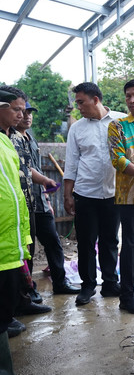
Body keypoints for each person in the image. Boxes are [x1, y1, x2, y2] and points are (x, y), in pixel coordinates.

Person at [0, 91, 47, 375]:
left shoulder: (6, 141)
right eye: (14, 109)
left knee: (3, 311)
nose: (20, 114)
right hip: (2, 244)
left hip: (9, 243)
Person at [63, 82, 126, 306]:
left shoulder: (121, 121)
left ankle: (110, 283)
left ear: (96, 99)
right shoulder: (77, 129)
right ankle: (87, 286)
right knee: (86, 242)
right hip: (86, 193)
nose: (78, 107)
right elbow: (71, 164)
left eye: (81, 102)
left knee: (110, 241)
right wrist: (67, 195)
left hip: (113, 193)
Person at [15, 102, 80, 295]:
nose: (26, 116)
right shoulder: (11, 139)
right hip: (25, 204)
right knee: (29, 250)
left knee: (53, 243)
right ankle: (29, 292)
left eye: (29, 113)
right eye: (22, 112)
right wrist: (45, 181)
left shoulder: (31, 139)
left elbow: (37, 170)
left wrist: (48, 201)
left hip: (41, 202)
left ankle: (60, 283)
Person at [0, 86, 53, 316]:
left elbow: (26, 169)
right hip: (7, 212)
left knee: (24, 253)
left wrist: (43, 181)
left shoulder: (15, 137)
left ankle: (23, 298)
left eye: (23, 109)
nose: (21, 114)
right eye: (16, 109)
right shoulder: (6, 138)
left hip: (23, 205)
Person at [107, 79, 134, 314]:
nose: (131, 100)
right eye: (128, 96)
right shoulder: (117, 126)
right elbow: (119, 160)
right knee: (131, 246)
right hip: (128, 198)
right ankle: (127, 296)